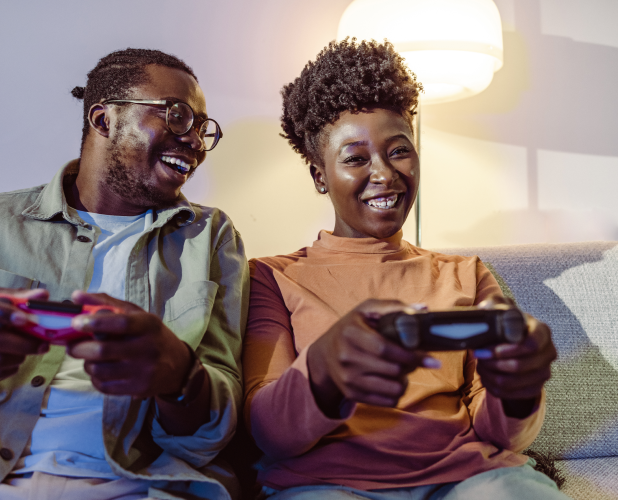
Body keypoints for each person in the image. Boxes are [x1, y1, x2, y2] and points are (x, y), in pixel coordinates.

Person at [243, 39, 568, 500]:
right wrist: (324, 370)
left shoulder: (466, 274)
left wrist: (517, 388)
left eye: (399, 151)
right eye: (355, 158)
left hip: (466, 478)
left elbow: (503, 435)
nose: (384, 173)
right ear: (319, 175)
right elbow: (267, 433)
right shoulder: (272, 277)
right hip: (328, 485)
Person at [0, 48, 248, 500]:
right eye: (177, 116)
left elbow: (210, 437)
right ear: (104, 119)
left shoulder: (208, 237)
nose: (195, 141)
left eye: (202, 128)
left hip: (145, 489)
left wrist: (180, 376)